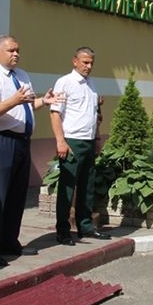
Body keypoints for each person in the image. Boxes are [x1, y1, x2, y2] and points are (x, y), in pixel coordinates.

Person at [0, 36, 61, 267]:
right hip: (1, 141)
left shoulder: (22, 76)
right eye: (11, 50)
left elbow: (27, 105)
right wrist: (13, 101)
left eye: (18, 50)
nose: (16, 54)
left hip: (22, 141)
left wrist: (44, 101)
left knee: (16, 195)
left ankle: (9, 241)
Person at [49, 47, 110, 245]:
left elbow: (94, 115)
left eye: (91, 62)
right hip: (72, 141)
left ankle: (85, 227)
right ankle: (63, 230)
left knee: (87, 186)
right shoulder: (65, 82)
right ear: (74, 61)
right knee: (67, 188)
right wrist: (60, 141)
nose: (88, 66)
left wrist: (97, 140)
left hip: (89, 141)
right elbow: (55, 113)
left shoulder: (92, 85)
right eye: (85, 62)